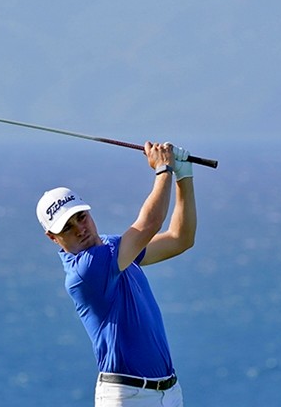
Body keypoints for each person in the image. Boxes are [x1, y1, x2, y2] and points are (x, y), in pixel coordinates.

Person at [35, 141, 196, 407]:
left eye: (80, 217)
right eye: (67, 227)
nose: (80, 229)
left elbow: (180, 238)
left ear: (88, 211)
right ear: (53, 237)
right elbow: (148, 225)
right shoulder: (86, 270)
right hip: (129, 396)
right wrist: (163, 169)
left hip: (168, 391)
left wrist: (184, 176)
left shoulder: (112, 248)